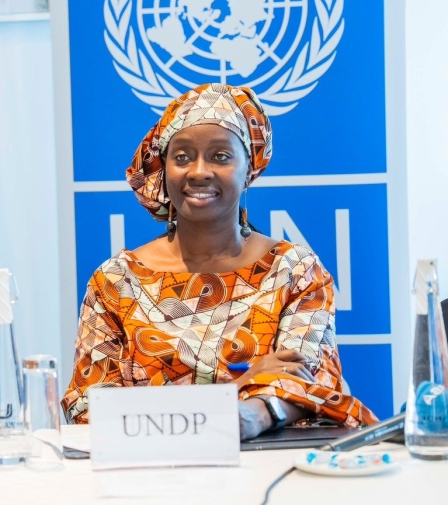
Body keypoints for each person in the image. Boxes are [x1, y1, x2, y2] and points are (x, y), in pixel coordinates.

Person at [62, 84, 377, 440]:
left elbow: (308, 385)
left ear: (249, 170)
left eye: (221, 156)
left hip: (271, 466)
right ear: (163, 169)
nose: (199, 171)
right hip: (149, 469)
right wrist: (239, 388)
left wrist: (248, 413)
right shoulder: (116, 281)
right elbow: (91, 410)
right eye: (182, 157)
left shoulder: (294, 271)